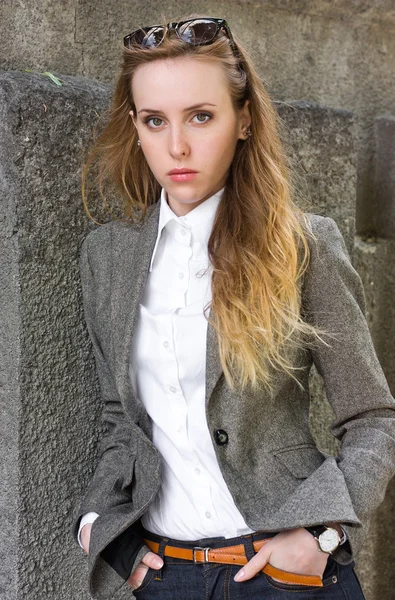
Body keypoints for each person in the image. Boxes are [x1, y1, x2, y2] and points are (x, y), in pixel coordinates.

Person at [70, 13, 395, 600]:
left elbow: (373, 420)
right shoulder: (108, 257)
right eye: (154, 120)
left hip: (285, 576)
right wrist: (101, 527)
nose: (177, 146)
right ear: (135, 127)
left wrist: (320, 536)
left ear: (243, 120)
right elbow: (121, 419)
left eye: (201, 116)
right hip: (164, 575)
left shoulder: (302, 246)